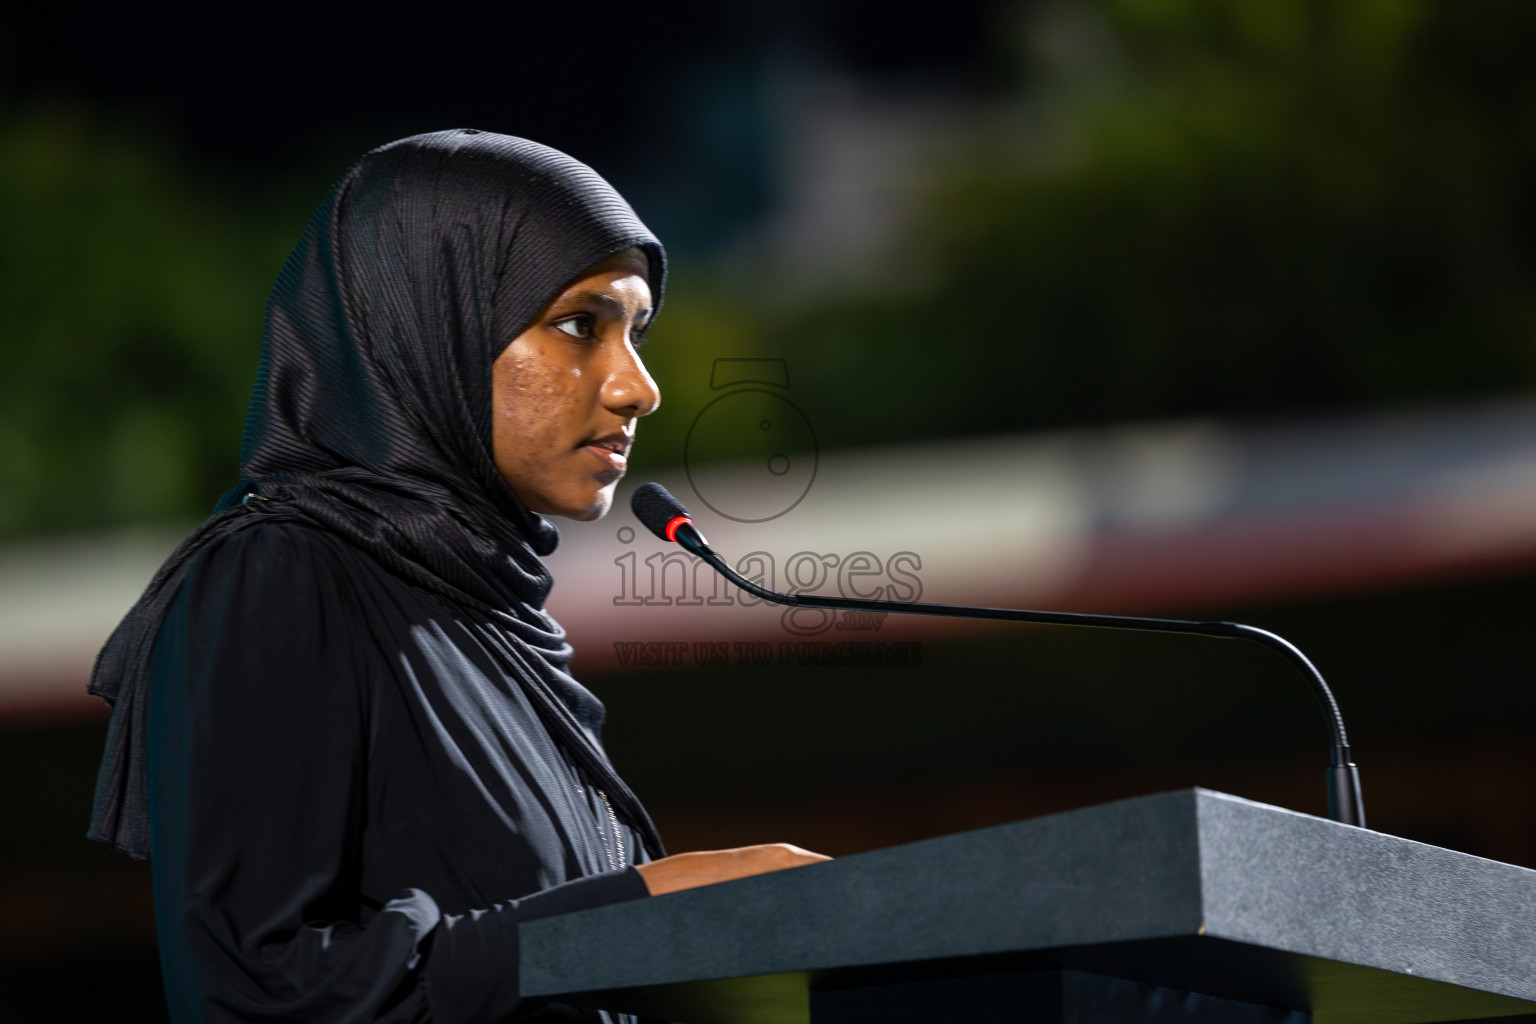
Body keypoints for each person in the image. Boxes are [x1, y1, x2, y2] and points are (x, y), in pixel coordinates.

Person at [86, 129, 828, 1024]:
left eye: (636, 332)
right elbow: (259, 988)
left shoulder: (486, 617)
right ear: (427, 325)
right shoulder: (279, 575)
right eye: (579, 325)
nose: (639, 388)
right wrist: (649, 904)